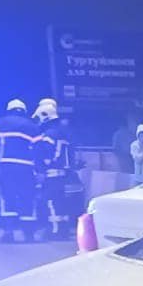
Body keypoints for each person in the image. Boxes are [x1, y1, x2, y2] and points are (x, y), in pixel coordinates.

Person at [0, 98, 44, 242]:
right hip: (26, 168)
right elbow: (38, 151)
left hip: (6, 167)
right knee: (27, 198)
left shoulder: (1, 124)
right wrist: (40, 170)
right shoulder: (32, 127)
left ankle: (8, 232)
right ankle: (29, 234)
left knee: (7, 198)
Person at [33, 98, 82, 239]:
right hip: (62, 173)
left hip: (51, 173)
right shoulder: (63, 132)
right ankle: (63, 229)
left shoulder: (48, 135)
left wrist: (41, 168)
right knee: (60, 202)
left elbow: (44, 153)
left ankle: (55, 231)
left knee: (50, 201)